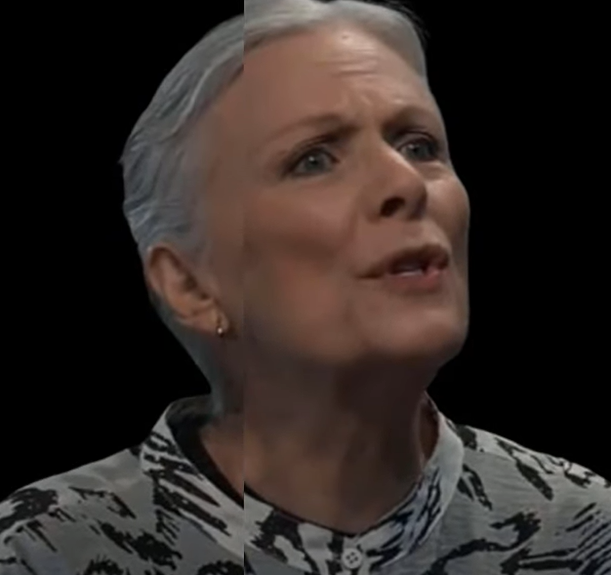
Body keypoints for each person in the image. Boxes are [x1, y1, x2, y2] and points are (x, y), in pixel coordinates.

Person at [1, 0, 610, 573]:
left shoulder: (583, 530)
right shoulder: (42, 551)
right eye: (313, 160)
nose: (406, 183)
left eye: (419, 145)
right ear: (189, 284)